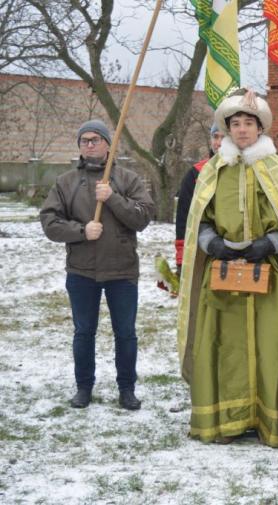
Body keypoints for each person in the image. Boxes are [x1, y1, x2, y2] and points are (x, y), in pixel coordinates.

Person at [176, 88, 278, 446]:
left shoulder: (277, 169)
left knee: (270, 347)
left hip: (268, 275)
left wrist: (269, 244)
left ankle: (269, 422)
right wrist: (212, 244)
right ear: (227, 129)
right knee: (221, 345)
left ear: (260, 128)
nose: (242, 129)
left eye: (249, 123)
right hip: (222, 274)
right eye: (236, 124)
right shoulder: (214, 170)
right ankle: (225, 421)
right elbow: (199, 219)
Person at [40, 119, 155, 410]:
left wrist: (112, 198)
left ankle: (127, 389)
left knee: (125, 333)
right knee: (84, 332)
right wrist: (82, 231)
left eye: (95, 139)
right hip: (82, 271)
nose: (89, 145)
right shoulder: (66, 182)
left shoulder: (127, 179)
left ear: (107, 144)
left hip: (122, 270)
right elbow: (50, 222)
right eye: (84, 140)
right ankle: (83, 387)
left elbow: (142, 217)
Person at [174, 123, 225, 273]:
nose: (218, 143)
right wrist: (181, 259)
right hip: (202, 252)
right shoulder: (196, 173)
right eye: (215, 137)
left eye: (224, 137)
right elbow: (184, 220)